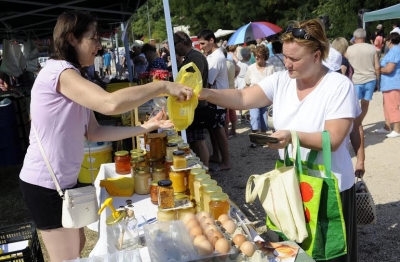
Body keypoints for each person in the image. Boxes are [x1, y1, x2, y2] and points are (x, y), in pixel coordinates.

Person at [18, 11, 193, 262]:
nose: (99, 46)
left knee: (76, 245)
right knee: (66, 257)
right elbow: (109, 103)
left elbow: (95, 131)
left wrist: (145, 128)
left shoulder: (74, 77)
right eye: (93, 38)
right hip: (45, 184)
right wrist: (163, 86)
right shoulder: (59, 72)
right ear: (71, 39)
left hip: (63, 182)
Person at [199, 19, 358, 262]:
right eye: (285, 56)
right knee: (292, 252)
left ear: (317, 56)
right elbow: (242, 97)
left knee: (327, 255)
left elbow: (334, 139)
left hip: (328, 186)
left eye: (294, 59)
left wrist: (292, 136)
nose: (287, 63)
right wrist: (206, 94)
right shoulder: (283, 80)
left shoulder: (338, 86)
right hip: (290, 183)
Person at [173, 31, 210, 166]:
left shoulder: (195, 57)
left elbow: (191, 81)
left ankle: (205, 169)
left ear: (182, 43)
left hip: (197, 105)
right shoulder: (191, 57)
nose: (174, 48)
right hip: (193, 104)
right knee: (194, 140)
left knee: (199, 141)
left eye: (175, 44)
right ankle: (199, 166)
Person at [198, 29, 231, 172]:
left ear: (211, 40)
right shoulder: (213, 55)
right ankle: (217, 155)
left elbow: (208, 82)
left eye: (203, 43)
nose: (201, 46)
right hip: (214, 99)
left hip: (218, 100)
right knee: (213, 129)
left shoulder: (217, 57)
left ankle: (226, 161)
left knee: (219, 130)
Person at [346, 28, 380, 124]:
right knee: (365, 104)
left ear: (355, 37)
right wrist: (378, 80)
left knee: (353, 105)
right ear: (365, 37)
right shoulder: (372, 48)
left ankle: (353, 125)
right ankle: (358, 123)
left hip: (356, 80)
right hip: (370, 79)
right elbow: (377, 67)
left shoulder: (349, 49)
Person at [245, 45, 275, 148]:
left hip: (267, 98)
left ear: (264, 56)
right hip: (254, 98)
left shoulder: (270, 67)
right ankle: (254, 140)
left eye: (259, 56)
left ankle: (263, 139)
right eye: (255, 55)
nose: (257, 58)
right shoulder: (250, 68)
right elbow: (247, 84)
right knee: (254, 117)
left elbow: (274, 83)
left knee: (264, 120)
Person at [378, 32, 400, 138]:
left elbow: (389, 69)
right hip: (388, 84)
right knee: (386, 105)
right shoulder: (392, 51)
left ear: (390, 41)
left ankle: (397, 129)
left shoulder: (395, 51)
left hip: (393, 84)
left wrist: (377, 70)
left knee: (392, 106)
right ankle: (387, 127)